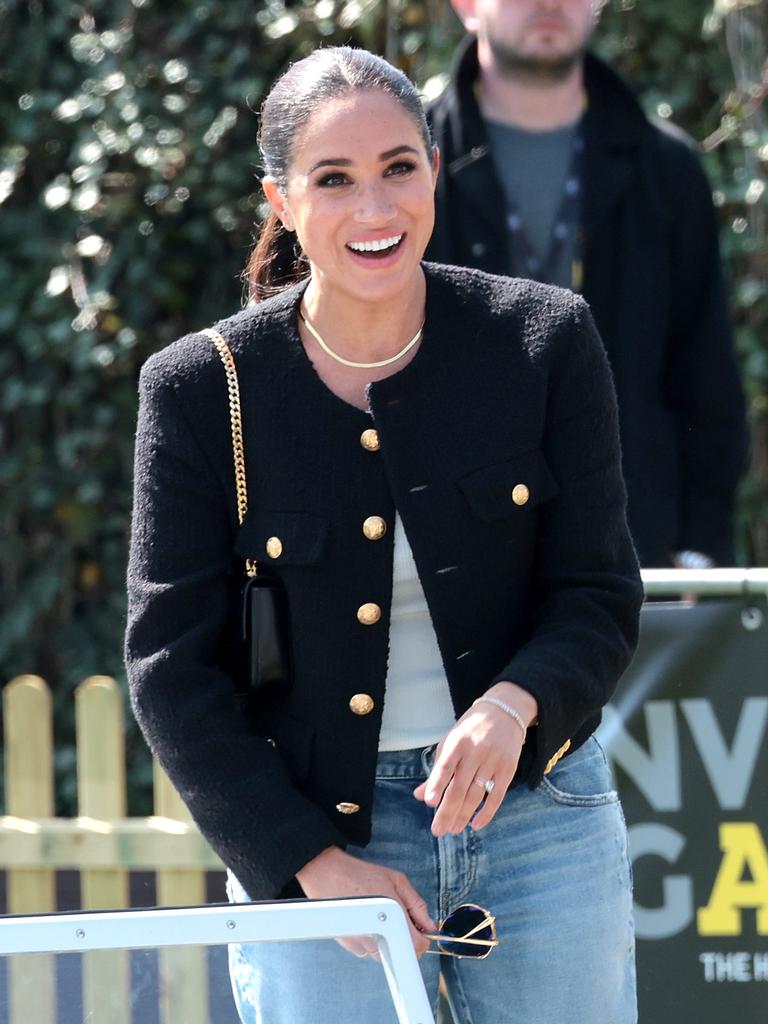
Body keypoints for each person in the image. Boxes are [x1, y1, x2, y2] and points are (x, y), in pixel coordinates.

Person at [125, 46, 643, 1024]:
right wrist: (309, 863)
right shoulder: (200, 390)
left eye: (399, 168)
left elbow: (599, 591)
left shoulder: (546, 340)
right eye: (334, 180)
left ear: (435, 171)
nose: (376, 209)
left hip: (542, 819)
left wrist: (514, 704)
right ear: (280, 199)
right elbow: (170, 669)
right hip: (318, 838)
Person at [426, 0, 749, 568]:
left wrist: (703, 548)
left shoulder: (666, 168)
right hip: (450, 555)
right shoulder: (405, 166)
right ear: (467, 6)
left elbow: (705, 375)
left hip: (632, 553)